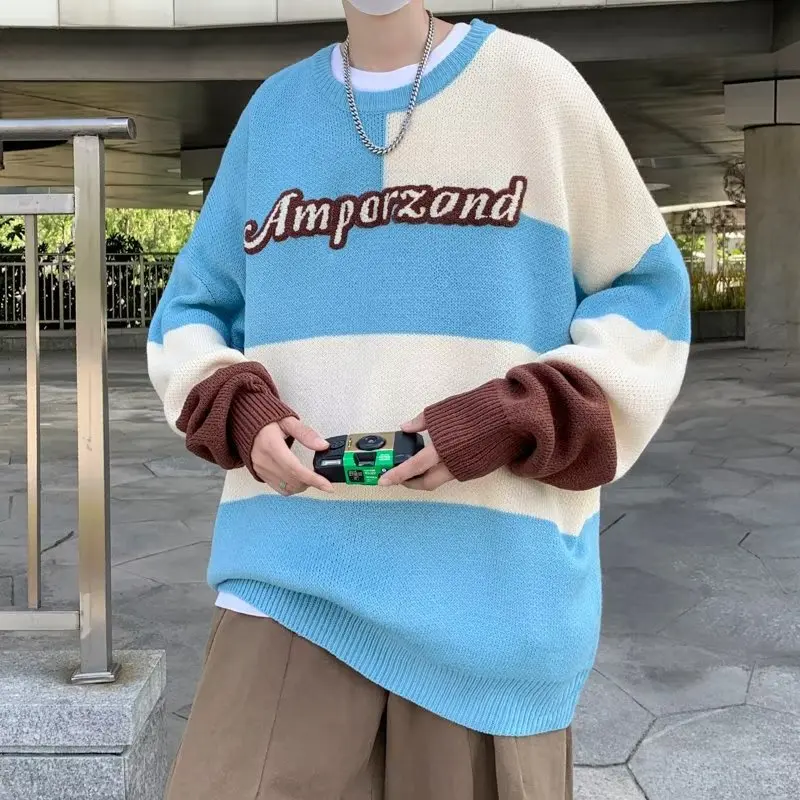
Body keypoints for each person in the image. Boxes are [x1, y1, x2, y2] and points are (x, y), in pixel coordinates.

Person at [148, 1, 690, 798]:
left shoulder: (535, 86)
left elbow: (650, 298)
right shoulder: (274, 113)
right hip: (290, 572)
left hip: (491, 592)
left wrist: (512, 416)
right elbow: (190, 312)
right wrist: (236, 407)